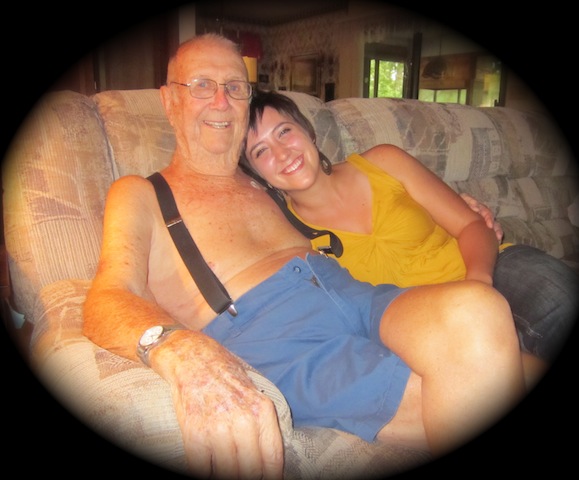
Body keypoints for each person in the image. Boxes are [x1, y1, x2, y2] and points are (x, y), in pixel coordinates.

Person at [83, 34, 536, 480]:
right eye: (202, 85)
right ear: (169, 101)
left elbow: (342, 197)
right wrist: (179, 348)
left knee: (480, 310)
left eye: (235, 87)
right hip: (282, 337)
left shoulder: (268, 185)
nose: (221, 101)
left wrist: (463, 212)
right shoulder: (141, 193)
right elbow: (106, 297)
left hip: (358, 296)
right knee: (476, 382)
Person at [241, 89, 579, 366]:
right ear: (258, 175)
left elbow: (472, 225)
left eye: (284, 131)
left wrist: (477, 286)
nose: (282, 152)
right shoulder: (290, 239)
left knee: (561, 303)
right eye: (261, 151)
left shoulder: (384, 161)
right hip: (432, 326)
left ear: (308, 132)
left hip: (490, 268)